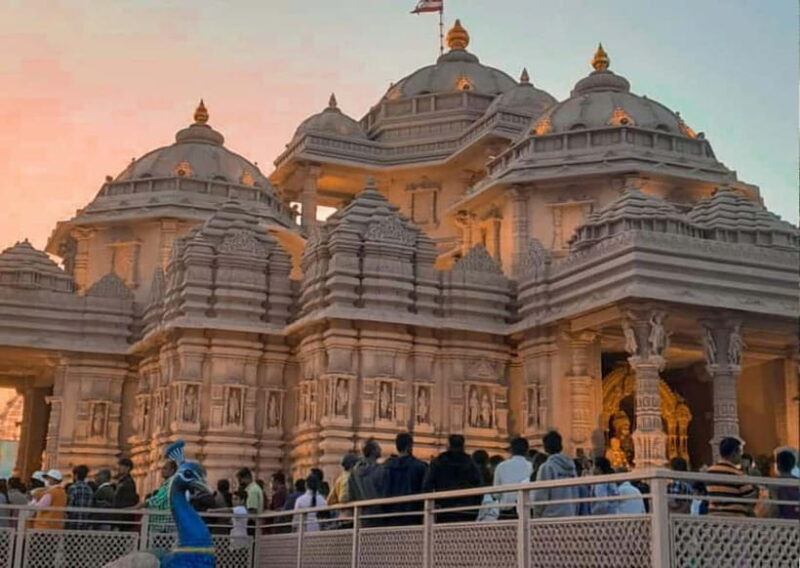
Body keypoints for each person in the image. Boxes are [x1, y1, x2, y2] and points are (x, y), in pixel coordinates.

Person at [422, 434, 482, 523]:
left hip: (444, 510)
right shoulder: (471, 463)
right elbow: (479, 487)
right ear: (463, 446)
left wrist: (434, 505)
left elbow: (427, 486)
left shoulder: (438, 462)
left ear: (448, 445)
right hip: (467, 511)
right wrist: (475, 508)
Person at [383, 432, 428, 525]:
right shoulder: (420, 467)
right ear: (410, 446)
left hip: (391, 515)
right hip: (412, 515)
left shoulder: (386, 467)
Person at [706, 437, 757, 517]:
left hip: (714, 515)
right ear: (734, 453)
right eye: (739, 452)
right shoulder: (737, 473)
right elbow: (750, 496)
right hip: (734, 518)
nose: (741, 455)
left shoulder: (710, 471)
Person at [532, 431, 578, 518]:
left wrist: (537, 514)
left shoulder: (547, 467)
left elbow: (541, 495)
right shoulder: (572, 467)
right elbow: (576, 491)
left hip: (550, 516)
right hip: (570, 514)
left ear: (545, 447)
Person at [493, 437, 533, 519]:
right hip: (526, 510)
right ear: (527, 450)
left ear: (511, 450)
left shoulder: (501, 466)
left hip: (506, 511)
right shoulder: (531, 466)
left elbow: (496, 494)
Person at [349, 438, 386, 526]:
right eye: (378, 448)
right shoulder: (381, 471)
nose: (381, 449)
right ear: (373, 451)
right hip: (379, 515)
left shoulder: (353, 473)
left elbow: (351, 495)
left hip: (361, 515)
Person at [144, 458, 177, 533]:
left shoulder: (171, 485)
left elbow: (156, 500)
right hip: (160, 524)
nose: (162, 471)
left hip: (164, 525)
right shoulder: (166, 484)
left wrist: (137, 506)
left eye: (165, 468)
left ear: (172, 471)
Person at [768, 449, 799, 519]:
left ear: (778, 465)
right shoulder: (797, 482)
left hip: (780, 519)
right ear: (793, 465)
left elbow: (774, 507)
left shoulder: (773, 483)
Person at [67, 464, 94, 530]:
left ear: (76, 475)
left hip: (73, 522)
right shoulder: (89, 489)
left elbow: (70, 505)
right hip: (85, 522)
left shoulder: (73, 488)